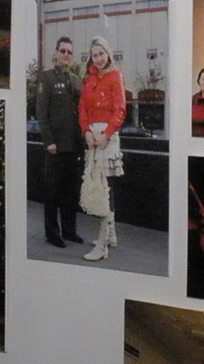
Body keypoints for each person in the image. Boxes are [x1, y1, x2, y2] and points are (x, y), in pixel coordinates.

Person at [78, 37, 126, 261]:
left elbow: (120, 109)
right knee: (99, 186)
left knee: (104, 189)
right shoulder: (88, 79)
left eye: (101, 54)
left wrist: (106, 134)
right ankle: (111, 236)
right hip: (92, 138)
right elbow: (82, 109)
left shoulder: (116, 75)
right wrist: (86, 132)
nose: (98, 59)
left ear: (108, 54)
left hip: (108, 137)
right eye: (94, 55)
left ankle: (102, 245)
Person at [36, 37, 84, 248]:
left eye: (69, 52)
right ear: (56, 52)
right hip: (55, 146)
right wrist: (49, 141)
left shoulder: (75, 79)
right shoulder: (46, 78)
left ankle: (69, 230)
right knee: (52, 193)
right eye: (63, 51)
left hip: (72, 145)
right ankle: (52, 233)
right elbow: (41, 112)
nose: (66, 55)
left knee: (70, 192)